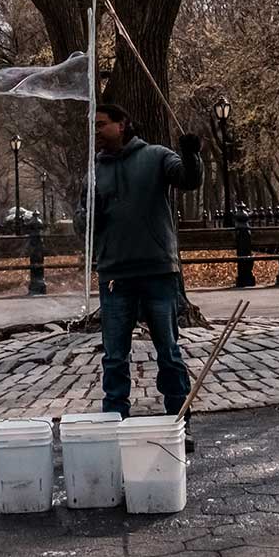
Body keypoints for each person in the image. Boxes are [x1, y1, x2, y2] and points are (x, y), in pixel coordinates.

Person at [86, 104, 203, 451]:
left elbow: (189, 179)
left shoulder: (156, 156)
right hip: (114, 276)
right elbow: (85, 224)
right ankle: (114, 427)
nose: (97, 131)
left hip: (157, 272)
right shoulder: (94, 171)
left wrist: (191, 152)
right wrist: (89, 214)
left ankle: (178, 424)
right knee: (114, 356)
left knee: (168, 351)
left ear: (123, 125)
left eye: (102, 125)